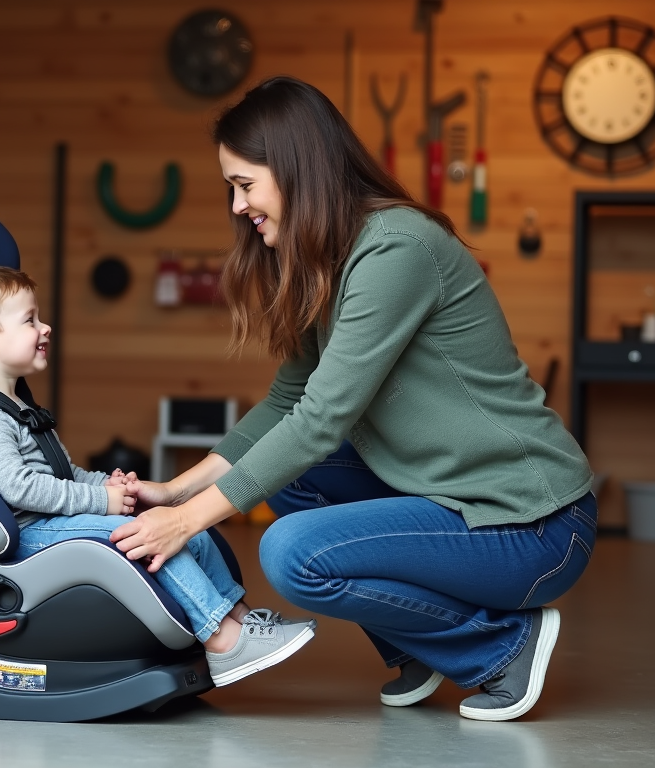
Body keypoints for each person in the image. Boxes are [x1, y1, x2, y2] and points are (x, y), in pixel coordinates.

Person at [110, 76, 596, 721]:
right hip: (457, 498)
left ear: (294, 171)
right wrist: (173, 491)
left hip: (531, 524)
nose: (236, 206)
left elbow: (320, 420)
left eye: (244, 185)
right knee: (294, 481)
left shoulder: (395, 247)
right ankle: (423, 646)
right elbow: (287, 403)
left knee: (291, 554)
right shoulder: (327, 260)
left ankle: (502, 646)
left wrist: (189, 520)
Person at [0, 265, 317, 686]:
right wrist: (103, 503)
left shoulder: (18, 406)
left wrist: (106, 484)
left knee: (180, 527)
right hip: (31, 536)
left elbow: (64, 472)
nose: (45, 328)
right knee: (139, 532)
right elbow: (19, 488)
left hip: (52, 521)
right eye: (30, 320)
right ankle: (222, 639)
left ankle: (239, 618)